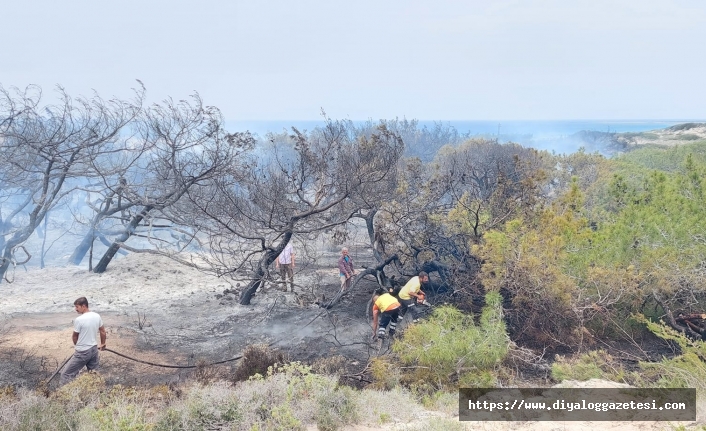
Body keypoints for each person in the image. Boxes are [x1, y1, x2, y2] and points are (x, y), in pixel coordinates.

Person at [60, 297, 106, 385]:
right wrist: (103, 343)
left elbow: (74, 336)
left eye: (77, 307)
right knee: (94, 375)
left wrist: (78, 347)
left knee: (66, 375)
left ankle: (67, 396)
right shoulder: (97, 316)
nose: (76, 309)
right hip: (93, 350)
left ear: (83, 306)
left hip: (83, 352)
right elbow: (102, 331)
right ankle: (97, 395)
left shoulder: (79, 320)